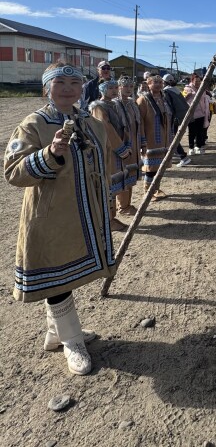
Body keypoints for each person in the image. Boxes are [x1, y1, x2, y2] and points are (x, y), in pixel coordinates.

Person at [4, 62, 116, 376]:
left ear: (82, 88)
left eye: (75, 83)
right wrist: (49, 154)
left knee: (67, 272)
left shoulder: (91, 123)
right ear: (46, 88)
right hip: (51, 217)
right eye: (60, 83)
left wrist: (106, 200)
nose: (68, 89)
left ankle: (56, 333)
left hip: (85, 213)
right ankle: (72, 341)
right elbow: (13, 172)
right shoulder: (33, 124)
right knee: (56, 275)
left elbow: (103, 163)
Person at [90, 80, 132, 232]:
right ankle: (108, 220)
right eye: (110, 88)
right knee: (108, 183)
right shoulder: (98, 107)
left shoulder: (115, 105)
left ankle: (114, 215)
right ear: (102, 90)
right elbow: (106, 129)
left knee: (116, 181)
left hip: (117, 149)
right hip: (108, 150)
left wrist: (126, 143)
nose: (114, 90)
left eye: (115, 87)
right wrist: (121, 148)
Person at [137, 74, 172, 200]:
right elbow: (139, 122)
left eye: (160, 82)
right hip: (151, 140)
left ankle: (156, 188)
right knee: (151, 168)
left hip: (164, 139)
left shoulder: (164, 98)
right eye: (154, 82)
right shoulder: (143, 100)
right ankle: (148, 191)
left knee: (160, 168)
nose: (158, 84)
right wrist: (142, 140)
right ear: (148, 84)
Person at [114, 75, 143, 215]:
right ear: (119, 87)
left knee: (131, 174)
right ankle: (122, 206)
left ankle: (127, 204)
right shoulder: (114, 104)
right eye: (125, 86)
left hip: (134, 144)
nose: (128, 89)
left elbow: (139, 124)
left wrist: (142, 142)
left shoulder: (132, 104)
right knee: (122, 175)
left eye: (131, 86)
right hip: (122, 145)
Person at [162, 73, 191, 166]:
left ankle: (183, 156)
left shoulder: (166, 91)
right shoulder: (176, 89)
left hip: (173, 118)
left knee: (172, 138)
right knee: (172, 137)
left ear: (165, 82)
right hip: (180, 117)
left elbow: (169, 106)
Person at [183, 74, 211, 155]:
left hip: (201, 113)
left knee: (200, 131)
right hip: (191, 114)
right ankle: (191, 147)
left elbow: (205, 99)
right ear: (192, 81)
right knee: (192, 132)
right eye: (196, 81)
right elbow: (183, 100)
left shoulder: (202, 89)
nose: (198, 83)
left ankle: (198, 146)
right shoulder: (187, 89)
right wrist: (187, 96)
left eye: (199, 81)